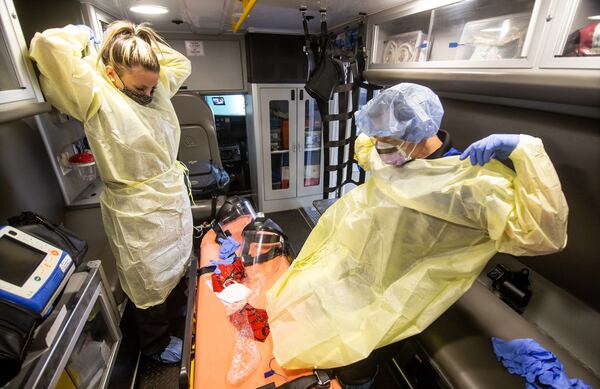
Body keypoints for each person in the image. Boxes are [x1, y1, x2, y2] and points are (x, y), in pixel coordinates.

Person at [266, 83, 568, 388]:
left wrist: (525, 150)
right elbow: (367, 149)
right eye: (376, 137)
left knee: (352, 363)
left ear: (417, 134)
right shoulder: (395, 159)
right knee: (300, 309)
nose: (377, 147)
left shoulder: (468, 187)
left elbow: (543, 235)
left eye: (384, 139)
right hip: (359, 267)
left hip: (402, 292)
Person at [29, 21, 193, 363]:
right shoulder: (94, 92)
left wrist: (136, 39)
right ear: (111, 73)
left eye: (151, 88)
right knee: (148, 281)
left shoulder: (156, 88)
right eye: (140, 88)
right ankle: (155, 347)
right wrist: (95, 39)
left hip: (170, 198)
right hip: (135, 207)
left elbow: (180, 64)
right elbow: (48, 45)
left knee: (176, 266)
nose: (149, 94)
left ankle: (181, 321)